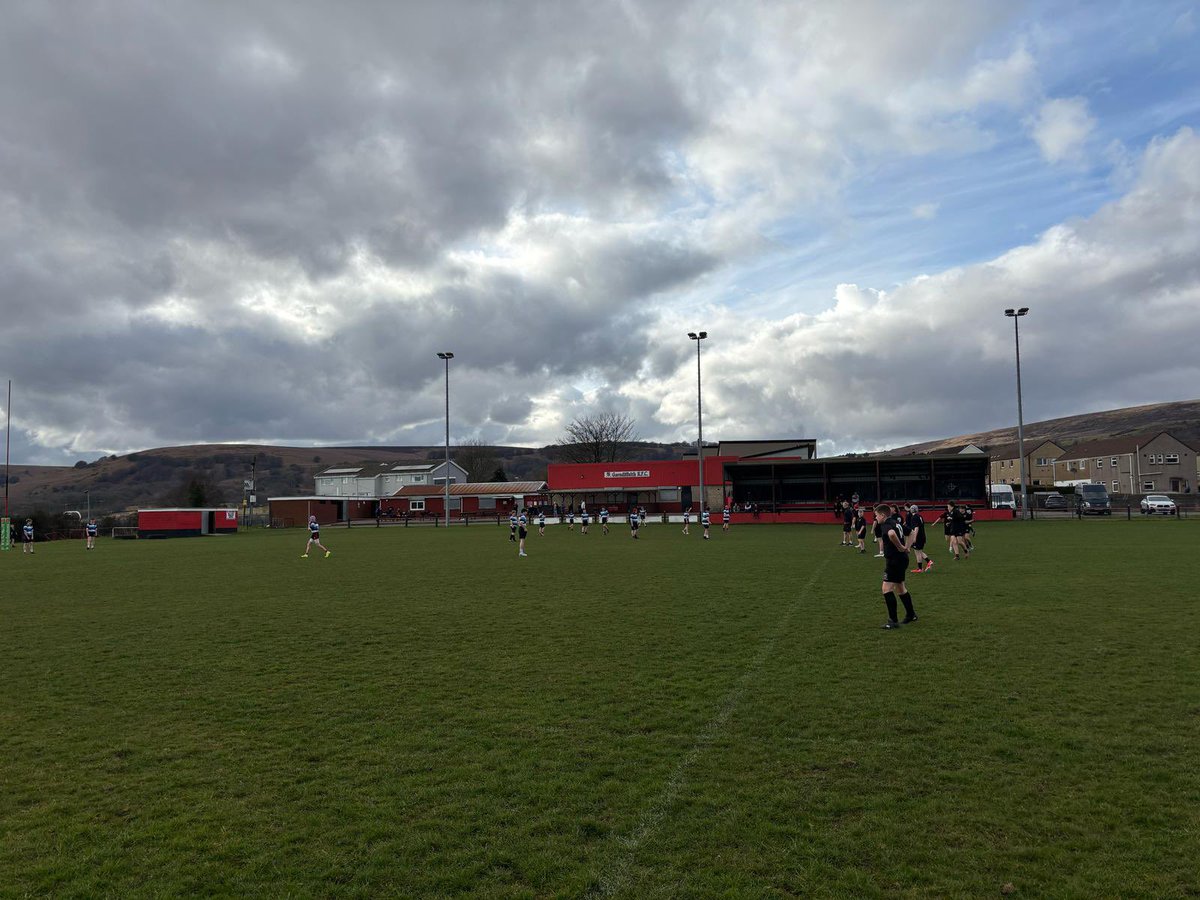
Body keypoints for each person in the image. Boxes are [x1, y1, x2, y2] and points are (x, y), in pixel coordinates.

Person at [875, 503, 918, 628]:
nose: (876, 518)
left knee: (886, 589)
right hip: (901, 559)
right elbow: (911, 533)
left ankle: (893, 621)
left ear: (883, 515)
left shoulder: (886, 525)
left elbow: (892, 534)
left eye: (876, 515)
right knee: (900, 588)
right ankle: (911, 614)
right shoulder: (896, 522)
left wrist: (901, 547)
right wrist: (907, 548)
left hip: (894, 560)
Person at [906, 504, 933, 573]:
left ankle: (927, 563)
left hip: (918, 537)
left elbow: (916, 528)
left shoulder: (914, 517)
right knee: (918, 551)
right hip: (922, 536)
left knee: (918, 552)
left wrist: (914, 537)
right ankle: (921, 567)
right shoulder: (919, 516)